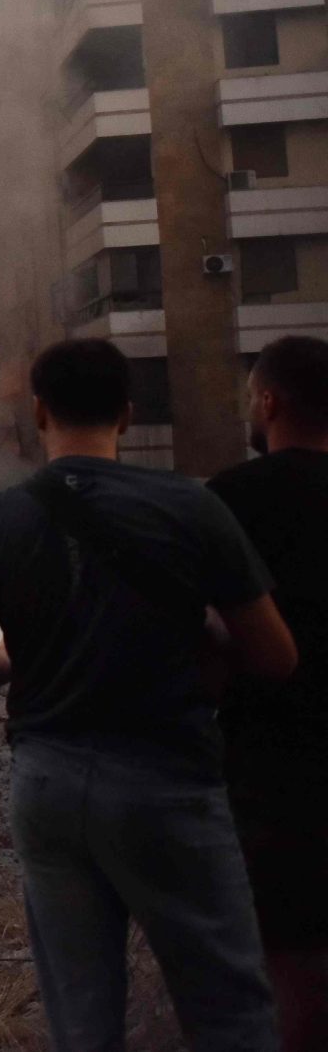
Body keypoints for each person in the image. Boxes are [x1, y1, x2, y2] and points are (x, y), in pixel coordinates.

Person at [0, 338, 297, 1052]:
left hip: (49, 784)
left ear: (39, 412)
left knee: (82, 1019)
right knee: (229, 1009)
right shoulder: (191, 506)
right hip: (166, 779)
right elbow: (276, 656)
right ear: (128, 416)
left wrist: (15, 659)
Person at [208, 335, 328, 1051]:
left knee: (285, 964)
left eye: (252, 395)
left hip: (272, 761)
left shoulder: (231, 500)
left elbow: (205, 634)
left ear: (271, 401)